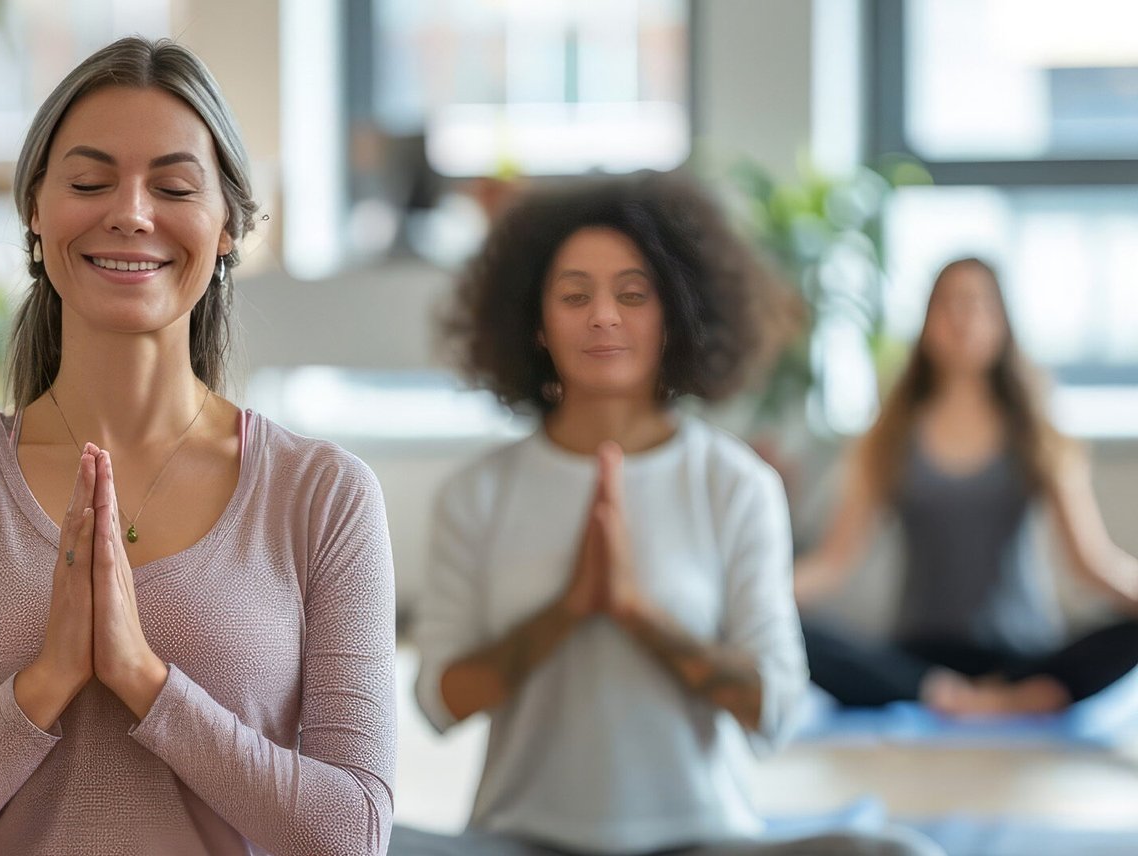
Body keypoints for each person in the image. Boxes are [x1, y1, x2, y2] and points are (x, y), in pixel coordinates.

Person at [0, 37, 396, 856]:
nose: (130, 212)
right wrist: (45, 683)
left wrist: (144, 681)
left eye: (172, 186)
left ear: (229, 225)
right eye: (90, 182)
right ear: (35, 211)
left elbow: (353, 834)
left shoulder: (324, 495)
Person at [396, 174, 941, 856]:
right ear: (536, 323)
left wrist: (637, 614)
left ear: (674, 315)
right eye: (574, 295)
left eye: (632, 294)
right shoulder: (479, 494)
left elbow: (773, 711)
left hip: (703, 841)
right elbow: (438, 702)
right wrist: (567, 611)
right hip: (518, 841)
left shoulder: (735, 484)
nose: (603, 316)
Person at [794, 257, 1138, 716]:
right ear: (926, 323)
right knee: (791, 629)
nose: (963, 320)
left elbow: (1091, 562)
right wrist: (751, 595)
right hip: (918, 662)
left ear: (1002, 323)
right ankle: (962, 698)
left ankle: (1000, 695)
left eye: (978, 305)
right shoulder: (891, 435)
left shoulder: (1036, 431)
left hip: (1023, 656)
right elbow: (832, 564)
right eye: (948, 305)